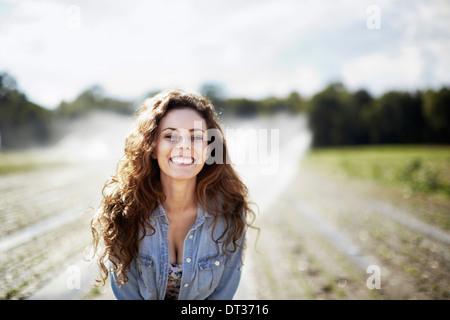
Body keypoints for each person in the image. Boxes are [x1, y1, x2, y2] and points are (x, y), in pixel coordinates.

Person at [90, 88, 255, 300]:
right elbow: (127, 294)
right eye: (170, 136)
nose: (184, 146)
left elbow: (223, 295)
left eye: (196, 137)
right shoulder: (124, 212)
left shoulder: (231, 212)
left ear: (209, 148)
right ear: (151, 145)